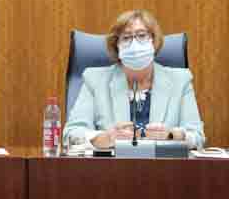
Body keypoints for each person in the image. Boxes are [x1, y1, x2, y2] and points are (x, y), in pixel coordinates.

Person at [63, 10, 205, 149]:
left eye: (142, 35)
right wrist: (104, 138)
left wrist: (171, 135)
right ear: (116, 46)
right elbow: (70, 134)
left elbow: (198, 137)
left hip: (164, 169)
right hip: (112, 169)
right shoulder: (95, 80)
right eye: (126, 38)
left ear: (154, 41)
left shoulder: (180, 80)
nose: (134, 44)